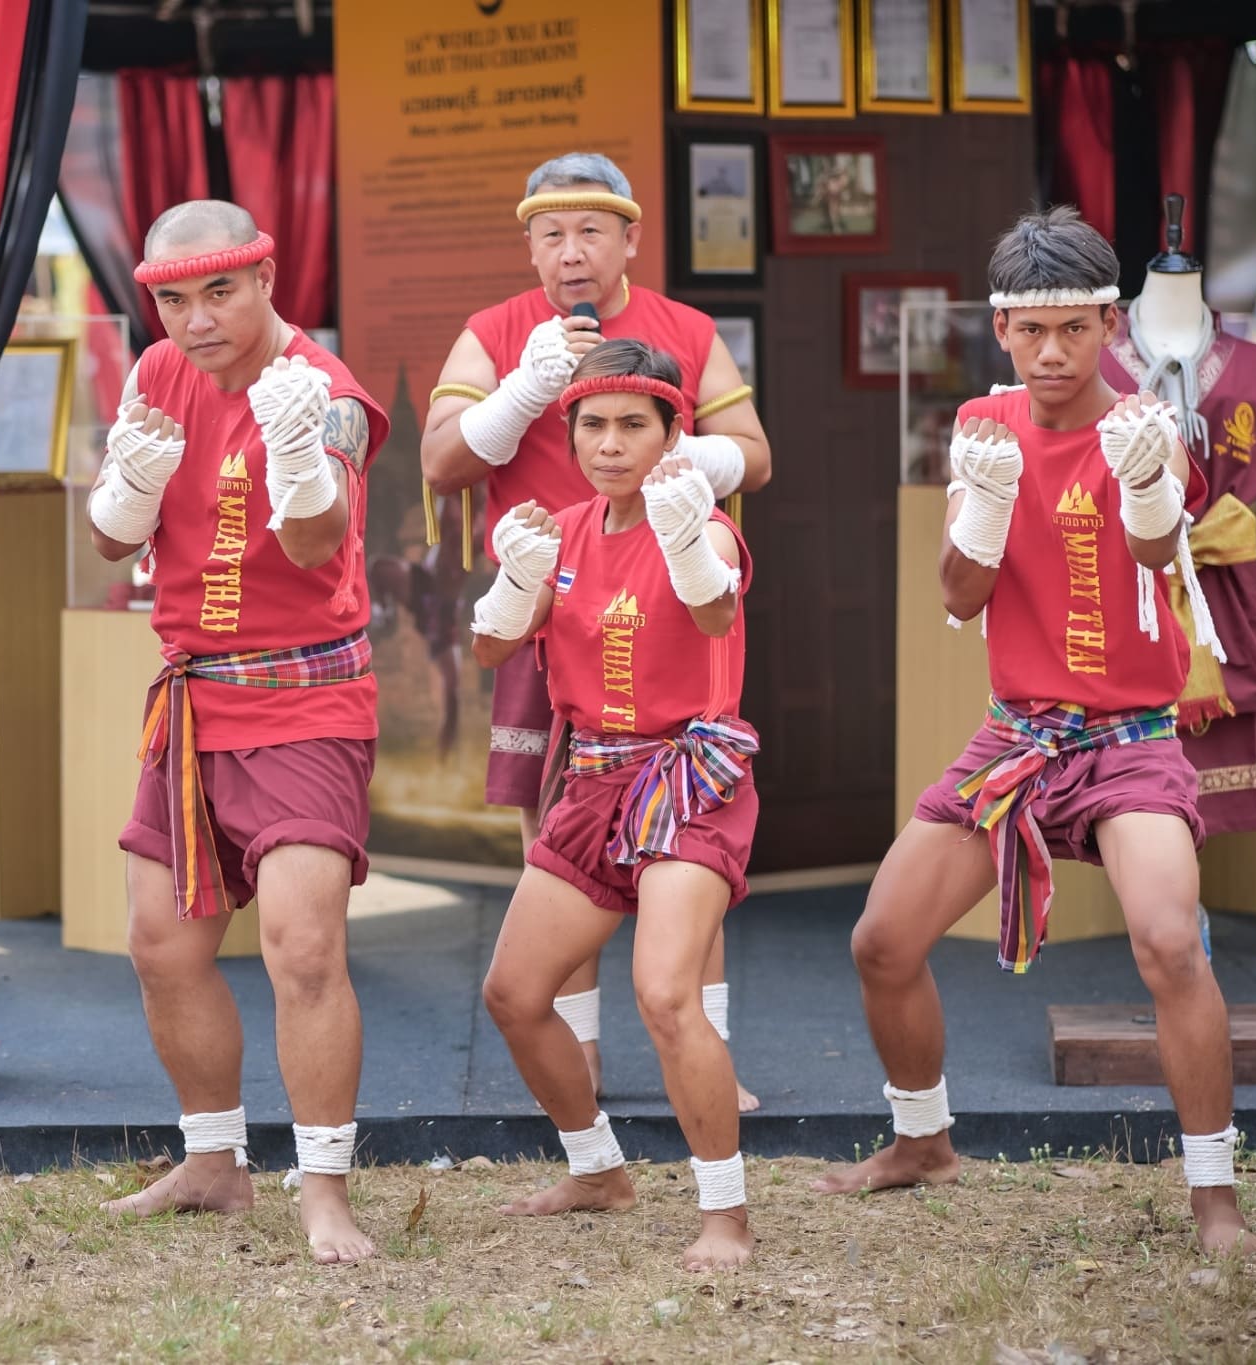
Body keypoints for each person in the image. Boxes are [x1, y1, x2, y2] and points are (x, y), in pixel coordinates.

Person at [813, 206, 1256, 1256]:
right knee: (879, 943)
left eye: (1072, 327)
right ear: (1000, 329)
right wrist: (978, 504)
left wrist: (1147, 479)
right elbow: (959, 599)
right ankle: (920, 1142)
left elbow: (1156, 557)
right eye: (1029, 330)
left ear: (1110, 322)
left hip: (1133, 737)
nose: (1050, 351)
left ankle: (1213, 1197)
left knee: (1164, 943)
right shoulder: (982, 422)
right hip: (1015, 734)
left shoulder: (1148, 424)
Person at [419, 151, 771, 1107]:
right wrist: (524, 393)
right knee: (557, 833)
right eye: (550, 234)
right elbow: (441, 459)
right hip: (547, 600)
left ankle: (709, 1065)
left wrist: (677, 461)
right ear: (529, 244)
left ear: (630, 237)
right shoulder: (493, 332)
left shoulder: (686, 329)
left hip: (673, 589)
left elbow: (755, 455)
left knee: (689, 832)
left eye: (589, 231)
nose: (570, 253)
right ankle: (581, 1067)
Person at [87, 199, 389, 1265]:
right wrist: (125, 486)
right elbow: (103, 546)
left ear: (264, 281)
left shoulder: (327, 393)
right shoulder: (157, 374)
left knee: (302, 948)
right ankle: (212, 1162)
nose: (198, 317)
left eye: (220, 291)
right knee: (160, 948)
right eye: (174, 298)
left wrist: (298, 454)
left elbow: (318, 543)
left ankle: (324, 1191)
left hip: (305, 700)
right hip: (193, 696)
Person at [474, 340, 758, 1272]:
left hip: (689, 778)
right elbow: (491, 652)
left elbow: (714, 612)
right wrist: (515, 582)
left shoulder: (704, 524)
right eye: (592, 424)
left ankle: (726, 1213)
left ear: (674, 433)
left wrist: (683, 539)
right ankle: (597, 1169)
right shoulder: (554, 529)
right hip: (592, 781)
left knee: (666, 993)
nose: (609, 442)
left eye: (633, 423)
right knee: (514, 995)